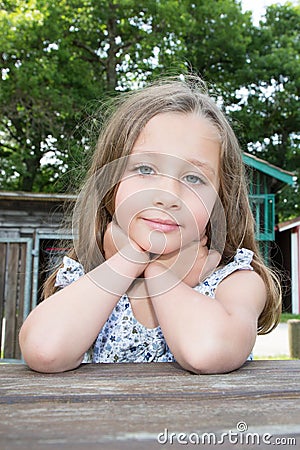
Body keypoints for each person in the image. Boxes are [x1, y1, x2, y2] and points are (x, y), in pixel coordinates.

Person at [19, 75, 281, 374]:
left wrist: (157, 270)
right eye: (145, 169)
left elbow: (208, 351)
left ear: (221, 198)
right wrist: (131, 258)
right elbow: (44, 350)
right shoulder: (91, 276)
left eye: (193, 178)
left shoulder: (235, 281)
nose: (168, 196)